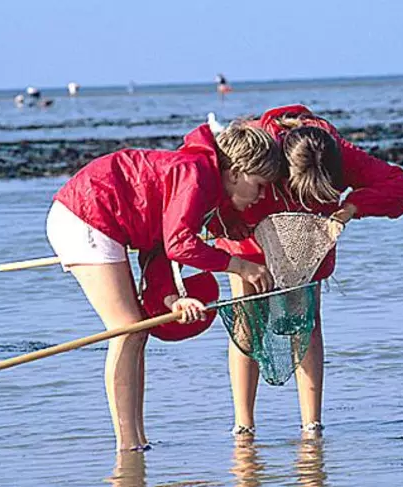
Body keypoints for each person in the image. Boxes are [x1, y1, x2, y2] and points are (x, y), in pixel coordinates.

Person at [46, 121, 280, 451]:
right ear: (236, 172)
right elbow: (180, 246)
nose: (260, 195)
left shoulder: (205, 182)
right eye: (258, 184)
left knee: (136, 331)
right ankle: (128, 446)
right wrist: (239, 266)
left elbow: (158, 250)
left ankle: (138, 442)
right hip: (86, 213)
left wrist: (172, 300)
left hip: (104, 221)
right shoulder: (196, 175)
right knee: (126, 329)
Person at [214, 105, 403, 437]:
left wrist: (352, 207)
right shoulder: (261, 147)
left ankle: (311, 424)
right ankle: (244, 425)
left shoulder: (339, 154)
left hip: (307, 242)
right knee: (247, 320)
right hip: (248, 232)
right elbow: (214, 182)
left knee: (307, 321)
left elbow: (401, 187)